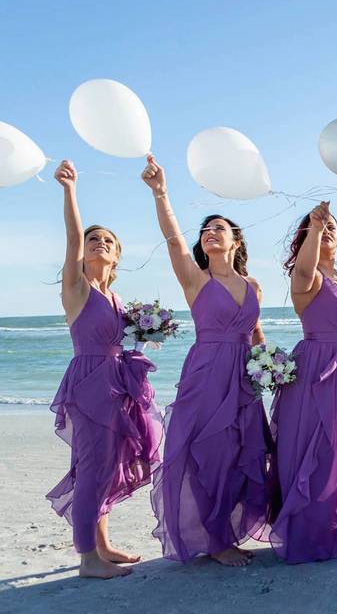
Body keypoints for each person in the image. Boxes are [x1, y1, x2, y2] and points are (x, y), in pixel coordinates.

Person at [141, 156, 272, 567]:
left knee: (240, 454)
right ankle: (216, 541)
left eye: (220, 229)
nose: (211, 233)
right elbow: (172, 239)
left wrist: (268, 364)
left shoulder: (253, 285)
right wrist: (161, 193)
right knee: (208, 455)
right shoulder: (196, 279)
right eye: (206, 230)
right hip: (206, 374)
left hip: (243, 379)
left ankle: (227, 534)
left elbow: (255, 332)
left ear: (236, 241)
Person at [46, 160, 163, 579]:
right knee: (93, 466)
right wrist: (70, 190)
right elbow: (73, 238)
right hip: (90, 384)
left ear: (117, 256)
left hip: (117, 385)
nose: (98, 242)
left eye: (107, 240)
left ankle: (103, 544)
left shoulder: (116, 300)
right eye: (94, 239)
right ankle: (87, 560)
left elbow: (127, 342)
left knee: (108, 465)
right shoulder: (77, 289)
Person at [267, 202, 337, 563]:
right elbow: (303, 267)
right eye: (319, 227)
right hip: (315, 372)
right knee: (309, 451)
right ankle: (303, 534)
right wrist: (314, 228)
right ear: (306, 237)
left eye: (332, 226)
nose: (327, 229)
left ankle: (329, 528)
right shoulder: (308, 276)